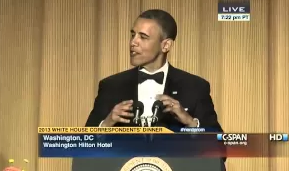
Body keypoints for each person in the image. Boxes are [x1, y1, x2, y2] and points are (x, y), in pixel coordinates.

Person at [85, 9, 223, 133]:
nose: (133, 42)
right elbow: (82, 146)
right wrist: (107, 123)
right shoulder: (111, 86)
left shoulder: (195, 87)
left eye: (143, 37)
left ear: (165, 45)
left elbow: (220, 148)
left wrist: (190, 122)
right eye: (133, 35)